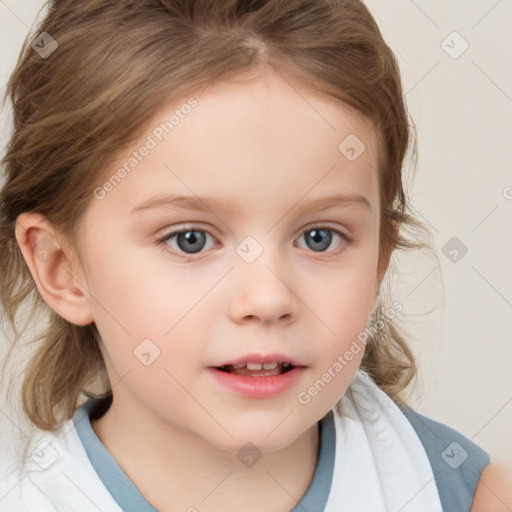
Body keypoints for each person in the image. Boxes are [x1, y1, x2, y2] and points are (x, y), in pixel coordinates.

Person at [0, 1, 511, 511]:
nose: (267, 298)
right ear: (61, 269)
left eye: (319, 237)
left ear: (379, 260)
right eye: (190, 239)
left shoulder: (466, 497)